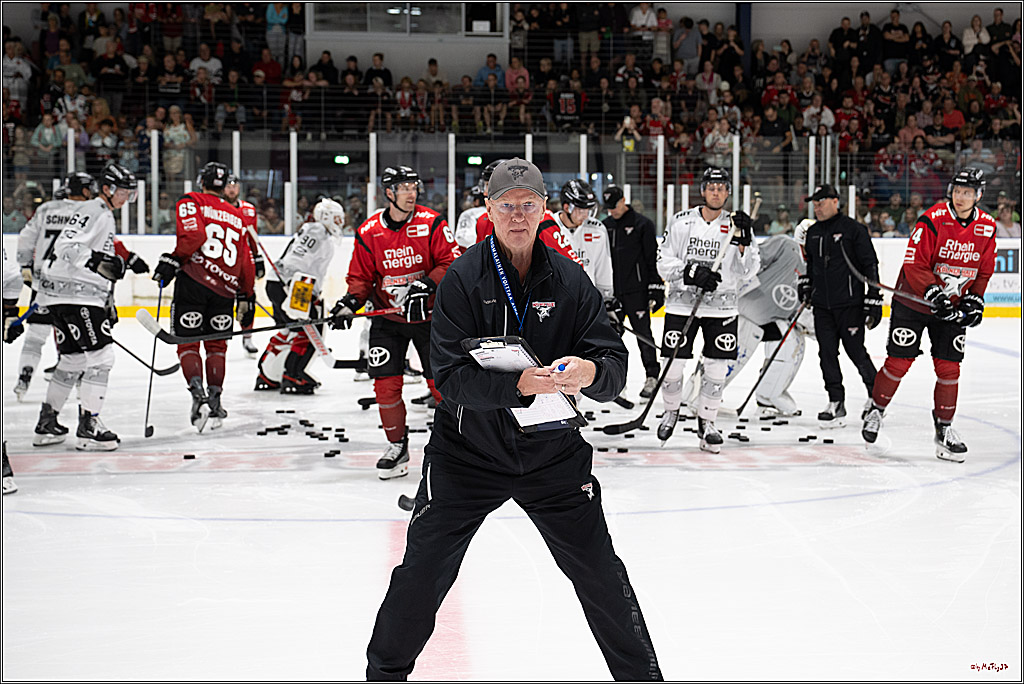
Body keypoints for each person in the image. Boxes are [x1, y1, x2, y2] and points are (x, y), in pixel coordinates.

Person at [365, 158, 662, 681]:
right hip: (467, 455)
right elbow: (449, 377)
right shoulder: (462, 278)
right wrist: (517, 387)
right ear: (489, 209)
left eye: (528, 204)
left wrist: (592, 371)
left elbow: (614, 365)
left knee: (601, 576)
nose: (518, 216)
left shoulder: (570, 280)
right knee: (422, 575)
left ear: (544, 208)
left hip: (553, 459)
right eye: (507, 206)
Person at [327, 166, 460, 479]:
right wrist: (350, 302)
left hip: (430, 318)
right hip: (387, 319)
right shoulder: (369, 231)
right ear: (389, 193)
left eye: (414, 187)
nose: (412, 193)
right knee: (385, 387)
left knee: (441, 385)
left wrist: (427, 284)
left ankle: (458, 448)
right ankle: (397, 445)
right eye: (404, 188)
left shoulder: (432, 222)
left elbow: (451, 261)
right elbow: (361, 276)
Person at [862, 168, 996, 462]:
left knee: (949, 369)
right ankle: (876, 409)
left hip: (951, 309)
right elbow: (914, 263)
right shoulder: (932, 219)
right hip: (913, 303)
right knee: (899, 362)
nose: (960, 197)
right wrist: (934, 292)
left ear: (978, 196)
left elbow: (984, 271)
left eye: (967, 193)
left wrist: (974, 299)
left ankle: (944, 429)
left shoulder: (987, 227)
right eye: (957, 191)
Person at [30, 164, 138, 451]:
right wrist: (96, 261)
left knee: (72, 360)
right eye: (123, 192)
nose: (126, 198)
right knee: (101, 359)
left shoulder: (101, 212)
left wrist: (106, 298)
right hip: (77, 297)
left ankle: (47, 423)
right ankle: (90, 425)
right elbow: (66, 246)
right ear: (108, 189)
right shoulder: (94, 210)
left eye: (130, 193)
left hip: (65, 296)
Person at [656, 167, 758, 452]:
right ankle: (670, 412)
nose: (716, 192)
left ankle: (707, 422)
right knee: (672, 363)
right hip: (682, 304)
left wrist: (744, 243)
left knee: (716, 367)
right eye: (711, 187)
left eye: (721, 188)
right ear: (702, 190)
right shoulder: (681, 221)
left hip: (722, 308)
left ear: (728, 193)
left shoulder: (737, 226)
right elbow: (663, 261)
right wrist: (691, 273)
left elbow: (748, 271)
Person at [152, 161, 256, 432]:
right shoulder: (237, 215)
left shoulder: (192, 201)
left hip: (193, 284)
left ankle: (197, 393)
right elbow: (245, 260)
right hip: (226, 289)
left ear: (201, 182)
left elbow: (195, 235)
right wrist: (247, 294)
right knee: (217, 346)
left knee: (188, 343)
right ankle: (216, 400)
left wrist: (174, 259)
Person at [686, 233, 809, 417]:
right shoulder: (785, 244)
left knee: (792, 344)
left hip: (776, 319)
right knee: (727, 358)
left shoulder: (815, 267)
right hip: (748, 311)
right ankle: (699, 396)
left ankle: (769, 396)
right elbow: (753, 261)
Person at [797, 184, 882, 428]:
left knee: (856, 352)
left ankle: (876, 397)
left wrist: (873, 298)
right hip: (822, 307)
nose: (817, 207)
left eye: (821, 202)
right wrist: (806, 285)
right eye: (815, 203)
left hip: (850, 305)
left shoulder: (853, 230)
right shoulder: (813, 232)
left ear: (835, 201)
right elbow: (810, 265)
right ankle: (836, 401)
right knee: (826, 354)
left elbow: (870, 264)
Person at [14, 173, 95, 401]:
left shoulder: (46, 209)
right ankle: (80, 383)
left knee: (36, 336)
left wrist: (25, 265)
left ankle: (24, 376)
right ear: (85, 190)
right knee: (77, 337)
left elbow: (25, 238)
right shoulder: (90, 213)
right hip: (74, 286)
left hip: (45, 284)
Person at [256, 198, 345, 394]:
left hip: (282, 283)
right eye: (337, 218)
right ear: (326, 217)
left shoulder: (317, 231)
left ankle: (268, 375)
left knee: (291, 330)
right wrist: (296, 291)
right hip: (291, 285)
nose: (340, 222)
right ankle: (293, 375)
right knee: (310, 331)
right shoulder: (317, 232)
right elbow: (295, 260)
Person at [602, 184, 663, 398]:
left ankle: (652, 376)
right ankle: (616, 382)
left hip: (637, 292)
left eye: (615, 206)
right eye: (608, 208)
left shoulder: (642, 224)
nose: (612, 211)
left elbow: (651, 259)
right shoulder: (604, 226)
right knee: (611, 338)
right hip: (613, 294)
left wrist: (656, 288)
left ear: (623, 200)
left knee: (643, 335)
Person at [222, 174, 264, 356]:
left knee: (247, 299)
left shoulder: (249, 209)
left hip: (244, 261)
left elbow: (252, 236)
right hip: (222, 261)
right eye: (228, 186)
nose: (231, 189)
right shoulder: (216, 208)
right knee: (222, 299)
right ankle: (221, 336)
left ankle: (247, 338)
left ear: (239, 188)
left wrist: (257, 257)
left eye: (234, 186)